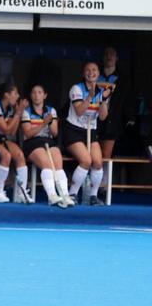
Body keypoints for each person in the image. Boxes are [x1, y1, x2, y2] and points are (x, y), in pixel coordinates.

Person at [64, 61, 110, 206]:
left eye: (94, 70)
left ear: (98, 73)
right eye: (88, 70)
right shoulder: (76, 89)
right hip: (74, 130)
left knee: (97, 162)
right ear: (84, 73)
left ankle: (93, 196)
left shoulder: (102, 91)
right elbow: (79, 111)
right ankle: (72, 193)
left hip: (91, 129)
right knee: (86, 160)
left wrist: (103, 100)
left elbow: (103, 117)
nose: (91, 73)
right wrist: (90, 96)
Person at [21, 84, 72, 208]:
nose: (36, 95)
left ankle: (65, 195)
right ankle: (52, 195)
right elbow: (28, 134)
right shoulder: (26, 112)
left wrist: (50, 123)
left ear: (45, 95)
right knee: (47, 164)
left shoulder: (51, 110)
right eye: (34, 92)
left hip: (48, 141)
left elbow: (54, 133)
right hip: (32, 142)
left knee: (58, 165)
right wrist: (44, 123)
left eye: (39, 92)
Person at [0, 83, 31, 203]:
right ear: (6, 95)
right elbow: (6, 129)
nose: (18, 96)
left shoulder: (9, 108)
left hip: (2, 138)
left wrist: (17, 113)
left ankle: (21, 192)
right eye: (15, 94)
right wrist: (18, 113)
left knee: (19, 155)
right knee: (6, 155)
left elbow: (12, 132)